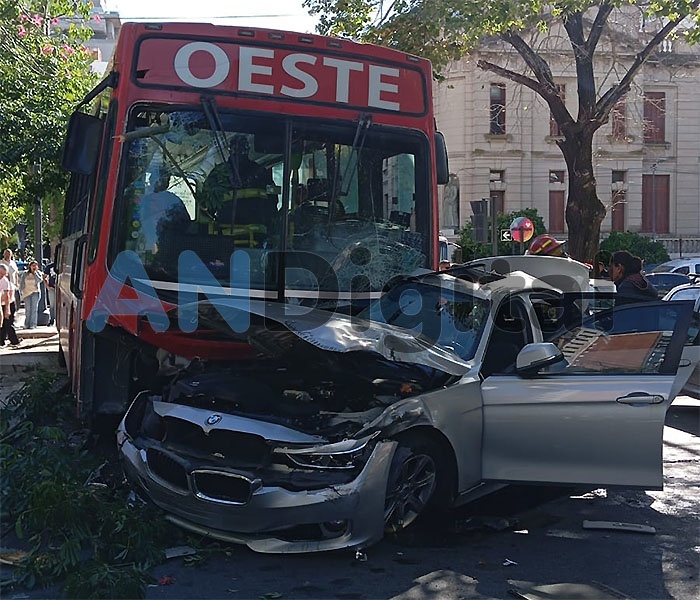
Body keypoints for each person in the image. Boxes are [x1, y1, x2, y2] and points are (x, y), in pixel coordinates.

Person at [0, 264, 21, 347]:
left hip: (8, 303)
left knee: (8, 323)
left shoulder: (5, 281)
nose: (1, 276)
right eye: (0, 273)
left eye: (3, 274)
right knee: (2, 324)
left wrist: (7, 309)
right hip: (1, 303)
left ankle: (14, 341)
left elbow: (7, 296)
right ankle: (1, 341)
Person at [19, 260, 43, 329]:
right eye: (33, 265)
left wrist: (35, 273)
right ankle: (26, 324)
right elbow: (21, 283)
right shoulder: (25, 273)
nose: (34, 267)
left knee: (34, 309)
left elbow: (39, 280)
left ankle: (33, 324)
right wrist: (21, 291)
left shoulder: (38, 273)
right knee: (28, 309)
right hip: (26, 293)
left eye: (35, 266)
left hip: (35, 292)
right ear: (30, 266)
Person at [43, 261, 57, 326]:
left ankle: (58, 320)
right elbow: (44, 276)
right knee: (52, 305)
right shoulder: (49, 266)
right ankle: (52, 320)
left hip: (61, 288)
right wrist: (47, 286)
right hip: (52, 288)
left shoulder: (63, 265)